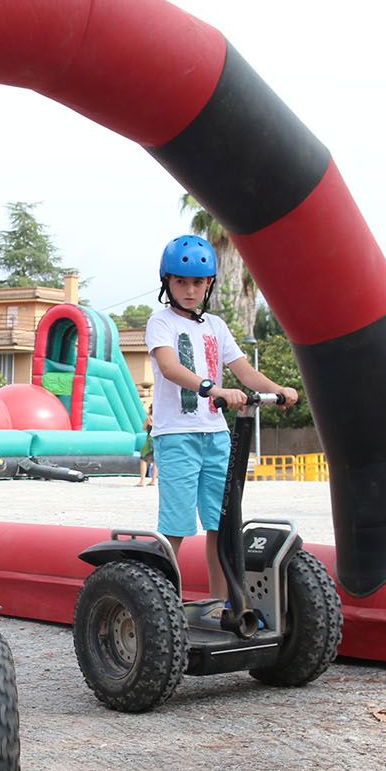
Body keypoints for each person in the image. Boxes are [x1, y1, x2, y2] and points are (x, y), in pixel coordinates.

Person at [145, 235, 296, 617]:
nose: (190, 289)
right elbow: (168, 367)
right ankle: (162, 605)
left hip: (215, 436)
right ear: (168, 283)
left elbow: (243, 370)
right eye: (181, 282)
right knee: (176, 526)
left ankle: (217, 604)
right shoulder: (160, 322)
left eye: (198, 282)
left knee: (221, 524)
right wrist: (212, 387)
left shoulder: (215, 325)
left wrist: (276, 389)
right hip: (177, 435)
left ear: (209, 283)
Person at [137, 405, 155, 486]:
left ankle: (142, 481)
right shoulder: (160, 418)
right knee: (155, 461)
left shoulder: (149, 418)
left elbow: (144, 428)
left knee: (143, 459)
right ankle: (154, 480)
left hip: (150, 441)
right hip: (157, 440)